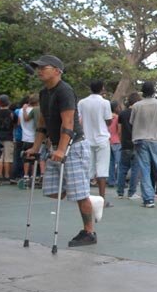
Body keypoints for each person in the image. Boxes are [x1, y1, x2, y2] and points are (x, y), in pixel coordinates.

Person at [24, 55, 104, 247]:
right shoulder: (44, 93)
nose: (40, 70)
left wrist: (61, 150)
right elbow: (42, 123)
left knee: (78, 194)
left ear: (58, 70)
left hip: (72, 146)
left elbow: (68, 124)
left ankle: (89, 232)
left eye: (45, 67)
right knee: (53, 192)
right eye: (38, 67)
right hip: (55, 146)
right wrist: (35, 147)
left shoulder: (64, 91)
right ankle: (92, 199)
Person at [77, 80, 114, 208]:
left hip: (87, 138)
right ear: (102, 89)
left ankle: (85, 198)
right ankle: (102, 199)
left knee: (88, 169)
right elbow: (108, 120)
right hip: (102, 138)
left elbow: (79, 119)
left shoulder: (82, 102)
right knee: (102, 170)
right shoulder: (105, 103)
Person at [116, 92, 141, 199]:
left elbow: (119, 130)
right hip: (136, 143)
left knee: (122, 168)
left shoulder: (122, 114)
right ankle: (131, 193)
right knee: (135, 169)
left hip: (125, 143)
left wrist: (121, 140)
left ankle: (120, 192)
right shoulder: (139, 113)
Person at [0, 94, 15, 183]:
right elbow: (15, 124)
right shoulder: (11, 113)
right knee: (8, 157)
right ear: (8, 102)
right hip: (9, 136)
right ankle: (7, 175)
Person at [107, 100, 121, 188]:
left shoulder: (107, 118)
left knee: (110, 162)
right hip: (117, 141)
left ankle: (111, 181)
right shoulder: (117, 117)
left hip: (108, 141)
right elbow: (119, 130)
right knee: (119, 162)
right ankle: (119, 181)